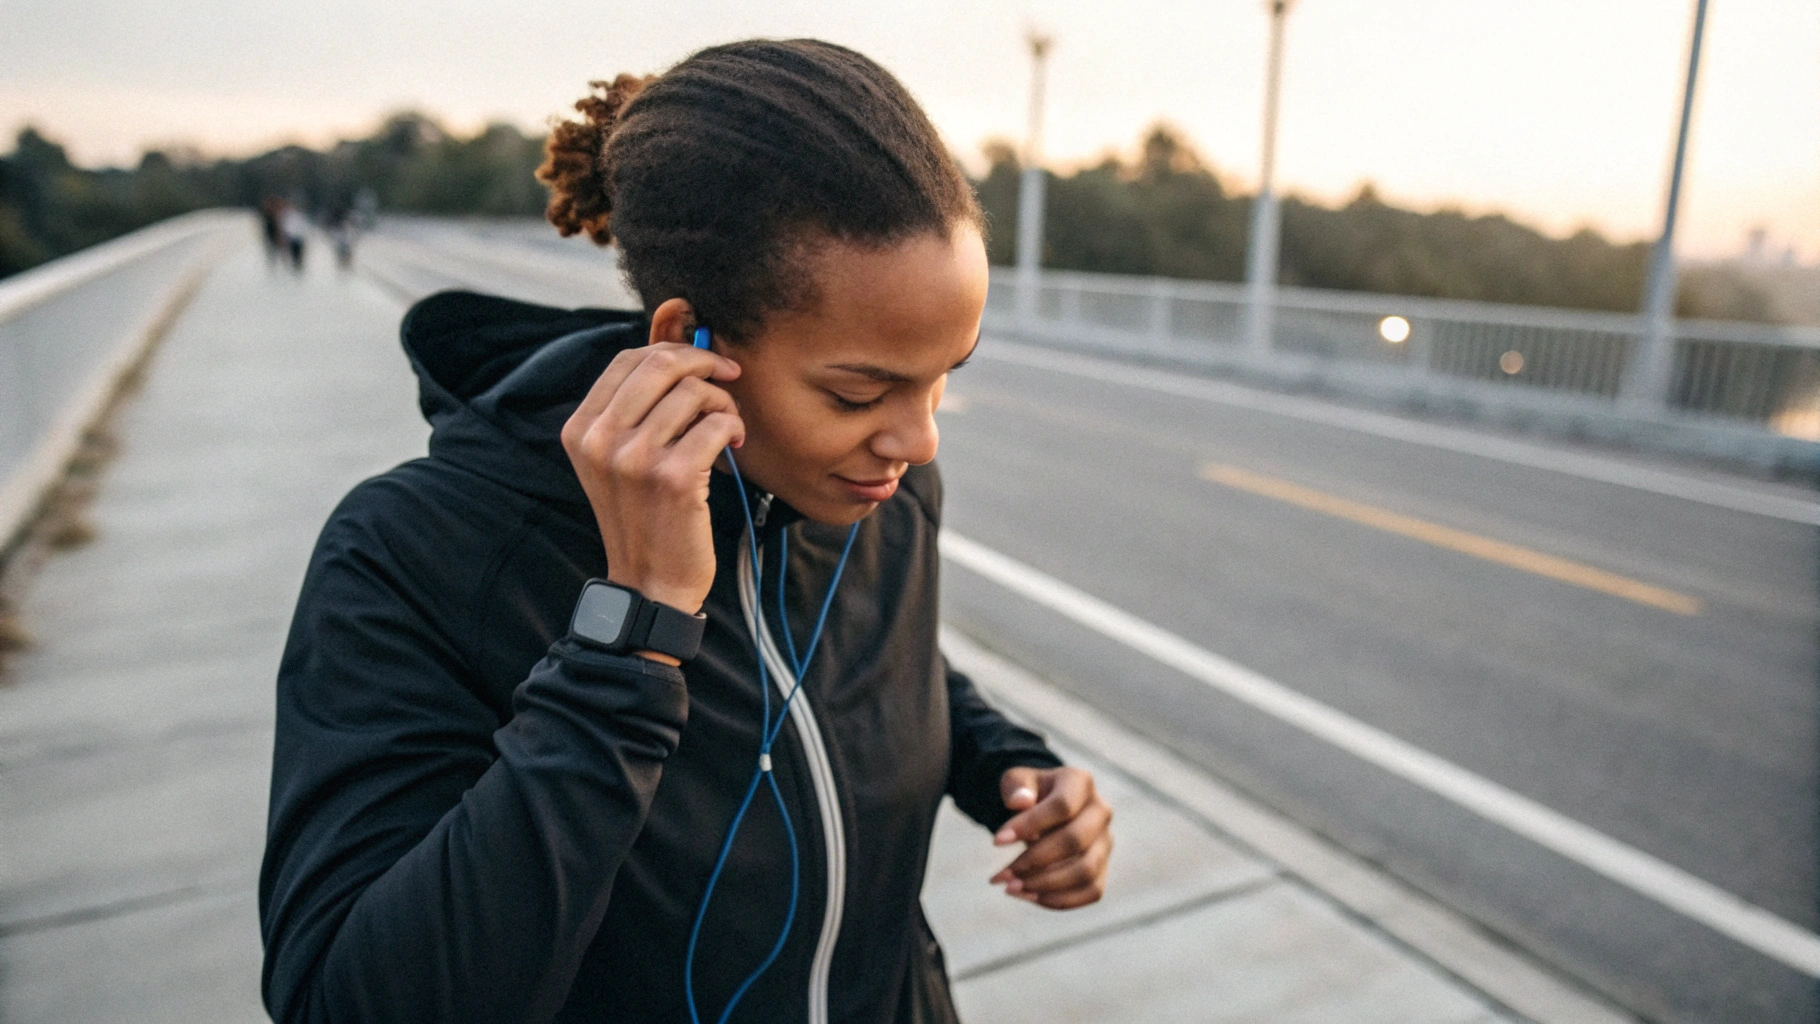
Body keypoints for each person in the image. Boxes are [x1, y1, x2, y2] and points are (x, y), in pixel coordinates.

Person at [259, 39, 1113, 1024]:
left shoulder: (871, 485)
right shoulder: (410, 552)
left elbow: (867, 660)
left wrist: (1007, 764)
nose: (914, 439)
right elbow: (344, 1002)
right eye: (857, 390)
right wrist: (632, 629)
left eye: (943, 375)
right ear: (686, 345)